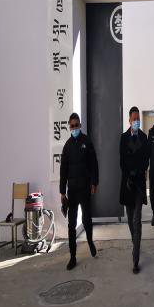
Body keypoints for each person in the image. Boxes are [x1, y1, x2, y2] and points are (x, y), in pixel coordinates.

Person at [59, 113, 99, 271]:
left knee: (87, 219)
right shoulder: (67, 146)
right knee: (72, 224)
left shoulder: (86, 141)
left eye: (76, 125)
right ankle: (73, 257)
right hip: (72, 191)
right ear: (69, 127)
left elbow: (94, 163)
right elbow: (63, 170)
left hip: (85, 188)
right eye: (72, 126)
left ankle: (90, 241)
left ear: (80, 125)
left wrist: (94, 182)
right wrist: (62, 192)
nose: (74, 128)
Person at [119, 106, 150, 274]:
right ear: (129, 120)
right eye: (134, 119)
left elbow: (146, 159)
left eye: (138, 119)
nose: (136, 121)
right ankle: (135, 243)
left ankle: (135, 259)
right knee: (130, 220)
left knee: (137, 220)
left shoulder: (144, 138)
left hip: (138, 186)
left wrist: (138, 171)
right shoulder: (123, 138)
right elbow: (121, 161)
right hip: (127, 184)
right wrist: (129, 173)